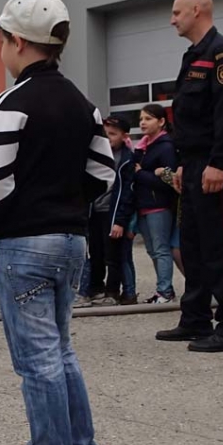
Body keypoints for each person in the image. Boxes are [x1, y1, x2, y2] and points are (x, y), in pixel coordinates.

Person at [0, 0, 116, 445]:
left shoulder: (11, 102)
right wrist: (69, 209)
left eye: (1, 39)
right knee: (62, 350)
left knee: (38, 360)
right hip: (71, 241)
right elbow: (103, 174)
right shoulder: (84, 105)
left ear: (16, 42)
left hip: (22, 245)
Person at [158, 0, 223, 352]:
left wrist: (217, 163)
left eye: (177, 12)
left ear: (196, 10)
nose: (172, 19)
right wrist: (184, 164)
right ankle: (195, 318)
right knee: (194, 246)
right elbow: (188, 117)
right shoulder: (194, 56)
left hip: (217, 162)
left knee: (222, 246)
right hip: (194, 162)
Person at [77, 115, 137, 307]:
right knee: (95, 253)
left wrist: (120, 221)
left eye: (113, 133)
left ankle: (113, 292)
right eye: (105, 133)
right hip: (94, 211)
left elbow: (128, 192)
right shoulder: (94, 153)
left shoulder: (127, 159)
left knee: (113, 255)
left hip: (112, 214)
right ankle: (95, 289)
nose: (108, 137)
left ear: (124, 136)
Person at [133, 104, 178, 305]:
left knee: (161, 249)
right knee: (152, 250)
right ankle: (162, 289)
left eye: (148, 119)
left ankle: (165, 291)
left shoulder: (166, 147)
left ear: (161, 122)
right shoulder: (142, 147)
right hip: (143, 204)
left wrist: (141, 173)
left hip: (159, 205)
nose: (143, 122)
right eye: (141, 119)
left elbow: (170, 182)